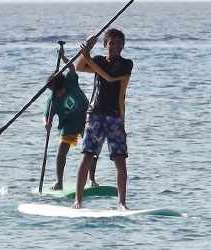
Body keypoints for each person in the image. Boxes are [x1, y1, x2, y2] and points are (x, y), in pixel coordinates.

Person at [72, 28, 133, 209]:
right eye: (111, 43)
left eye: (119, 43)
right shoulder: (98, 60)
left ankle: (122, 203)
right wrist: (87, 48)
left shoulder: (126, 64)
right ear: (105, 45)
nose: (115, 46)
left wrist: (87, 56)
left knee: (120, 159)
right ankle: (78, 200)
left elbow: (110, 77)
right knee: (87, 156)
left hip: (115, 116)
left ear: (123, 46)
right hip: (95, 114)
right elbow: (79, 67)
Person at [43, 46, 97, 191]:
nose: (58, 94)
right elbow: (47, 116)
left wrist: (63, 58)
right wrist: (47, 124)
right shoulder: (52, 99)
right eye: (55, 92)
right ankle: (59, 181)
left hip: (86, 118)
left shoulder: (70, 81)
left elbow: (72, 68)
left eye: (60, 91)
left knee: (91, 151)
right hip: (69, 125)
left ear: (63, 85)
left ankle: (91, 180)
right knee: (61, 151)